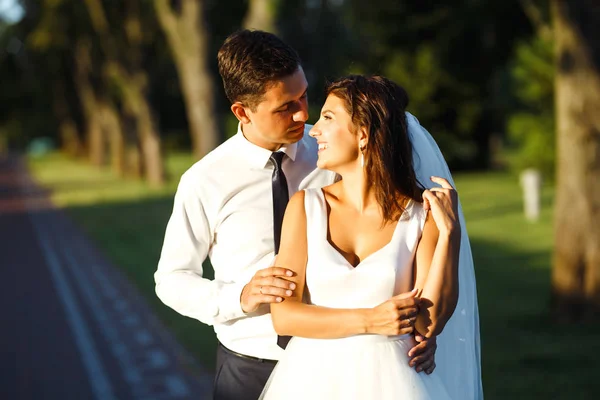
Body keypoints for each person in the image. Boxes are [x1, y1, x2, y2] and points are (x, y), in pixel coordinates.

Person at [154, 30, 480, 400]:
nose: (303, 115)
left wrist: (418, 332)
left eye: (303, 96)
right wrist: (239, 298)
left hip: (372, 367)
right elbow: (171, 279)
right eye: (284, 107)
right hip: (250, 362)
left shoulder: (331, 147)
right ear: (242, 111)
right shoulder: (205, 181)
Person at [260, 75, 463, 399]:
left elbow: (428, 324)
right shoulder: (305, 207)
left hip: (396, 384)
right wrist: (371, 320)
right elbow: (283, 316)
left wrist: (450, 233)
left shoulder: (421, 216)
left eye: (327, 118)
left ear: (363, 134)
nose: (314, 130)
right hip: (311, 381)